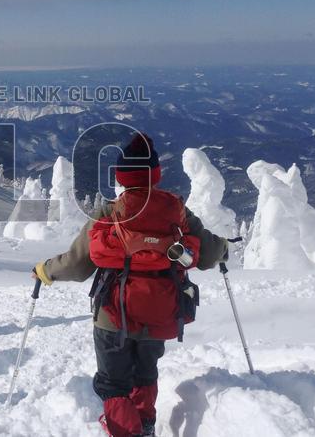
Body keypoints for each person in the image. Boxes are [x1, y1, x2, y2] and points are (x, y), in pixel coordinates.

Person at [32, 132, 228, 437]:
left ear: (122, 176)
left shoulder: (110, 213)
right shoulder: (176, 211)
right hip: (161, 310)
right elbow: (208, 254)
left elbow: (78, 263)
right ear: (155, 174)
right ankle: (145, 425)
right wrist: (224, 248)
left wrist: (45, 271)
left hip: (113, 312)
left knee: (113, 384)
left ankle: (126, 431)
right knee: (145, 374)